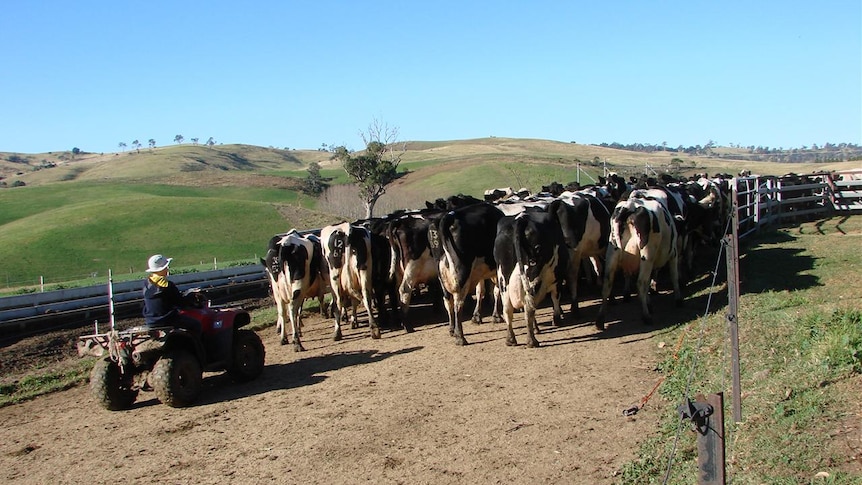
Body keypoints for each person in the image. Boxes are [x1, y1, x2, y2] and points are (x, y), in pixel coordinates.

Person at [142, 254, 202, 334]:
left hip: (150, 320)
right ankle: (198, 345)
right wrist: (190, 296)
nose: (167, 269)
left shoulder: (146, 284)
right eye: (166, 267)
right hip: (167, 319)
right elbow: (180, 303)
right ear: (162, 269)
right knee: (196, 324)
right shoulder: (168, 285)